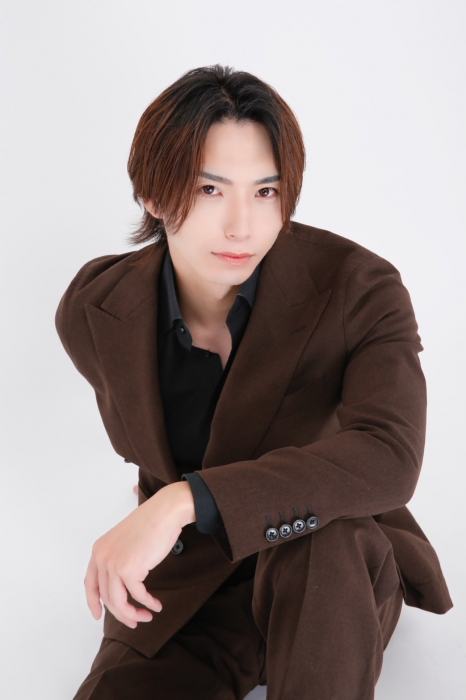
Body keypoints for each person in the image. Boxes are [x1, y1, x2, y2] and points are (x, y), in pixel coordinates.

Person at [55, 64, 453, 700]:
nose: (242, 225)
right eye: (210, 189)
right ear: (152, 194)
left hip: (327, 568)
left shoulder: (360, 288)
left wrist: (182, 500)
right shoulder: (96, 309)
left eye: (266, 191)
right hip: (188, 580)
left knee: (327, 537)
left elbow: (388, 455)